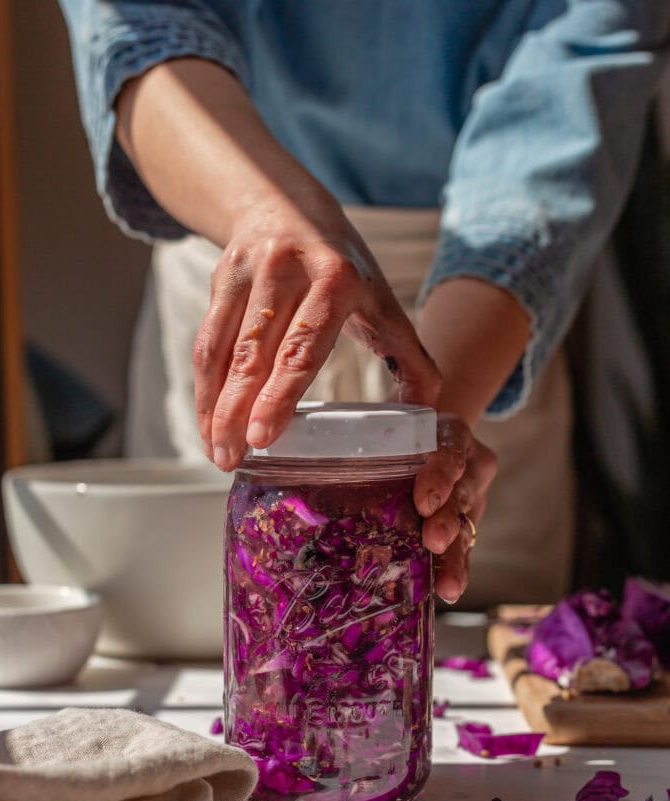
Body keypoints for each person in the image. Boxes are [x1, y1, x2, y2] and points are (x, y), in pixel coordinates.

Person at [58, 0, 670, 606]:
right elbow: (140, 28)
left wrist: (434, 422)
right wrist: (264, 214)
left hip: (481, 313)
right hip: (241, 262)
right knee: (202, 629)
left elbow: (569, 81)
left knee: (470, 633)